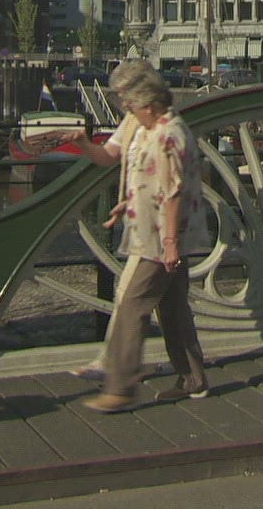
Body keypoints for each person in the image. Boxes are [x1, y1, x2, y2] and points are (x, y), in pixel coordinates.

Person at [71, 59, 209, 411]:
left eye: (131, 104)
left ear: (148, 104)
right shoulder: (151, 128)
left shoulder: (168, 135)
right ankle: (193, 379)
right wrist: (128, 203)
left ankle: (120, 387)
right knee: (172, 309)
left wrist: (170, 244)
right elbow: (148, 178)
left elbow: (172, 191)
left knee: (132, 306)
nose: (127, 110)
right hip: (155, 232)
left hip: (158, 238)